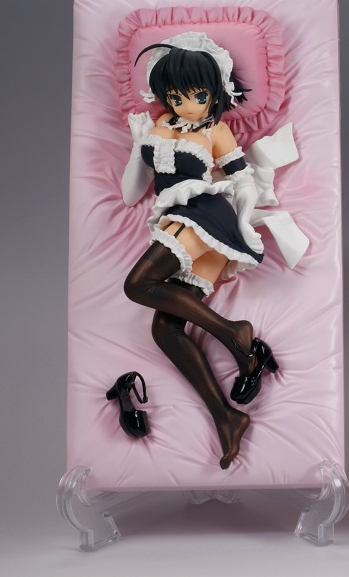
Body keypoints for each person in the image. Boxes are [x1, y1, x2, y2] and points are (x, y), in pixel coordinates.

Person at [120, 32, 291, 469]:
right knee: (165, 330)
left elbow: (242, 179)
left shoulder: (216, 130)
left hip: (205, 216)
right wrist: (138, 148)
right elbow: (131, 194)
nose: (187, 105)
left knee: (138, 284)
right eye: (176, 96)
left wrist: (242, 223)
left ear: (215, 93)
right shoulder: (158, 127)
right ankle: (227, 416)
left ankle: (235, 332)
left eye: (198, 95)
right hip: (178, 223)